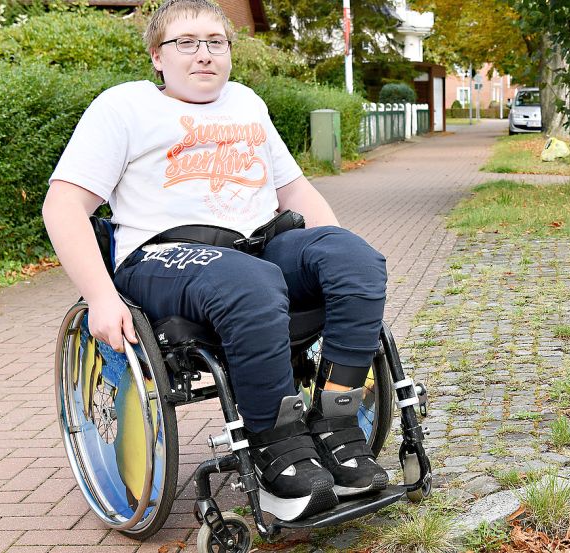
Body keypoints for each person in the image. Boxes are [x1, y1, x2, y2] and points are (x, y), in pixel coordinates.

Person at [42, 0, 388, 520]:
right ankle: (277, 451)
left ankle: (335, 422)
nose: (203, 54)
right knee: (248, 281)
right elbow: (64, 203)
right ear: (158, 57)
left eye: (216, 42)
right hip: (163, 255)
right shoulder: (123, 107)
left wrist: (329, 255)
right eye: (187, 43)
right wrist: (99, 296)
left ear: (229, 51)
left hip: (257, 245)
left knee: (355, 259)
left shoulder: (245, 102)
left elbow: (293, 188)